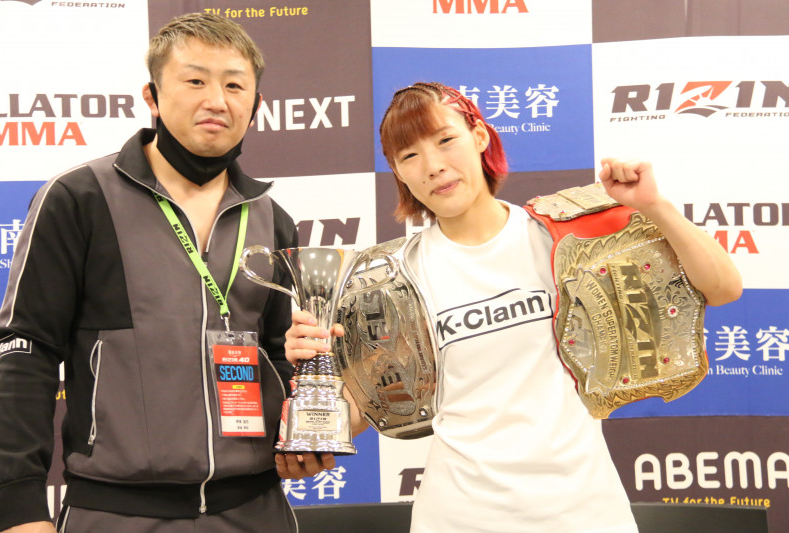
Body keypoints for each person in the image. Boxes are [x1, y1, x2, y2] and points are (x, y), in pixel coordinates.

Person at [285, 82, 743, 532]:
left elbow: (723, 287)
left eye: (445, 140)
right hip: (458, 516)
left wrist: (654, 206)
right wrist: (311, 395)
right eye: (409, 156)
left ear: (479, 137)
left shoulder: (558, 234)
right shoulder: (388, 278)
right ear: (398, 173)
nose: (433, 166)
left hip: (585, 512)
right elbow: (364, 408)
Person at [0, 13, 333, 533]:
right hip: (114, 512)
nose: (216, 100)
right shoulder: (79, 199)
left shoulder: (271, 219)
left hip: (255, 509)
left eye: (234, 85)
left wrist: (302, 437)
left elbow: (282, 357)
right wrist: (20, 511)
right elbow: (26, 353)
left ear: (256, 106)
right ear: (151, 96)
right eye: (195, 81)